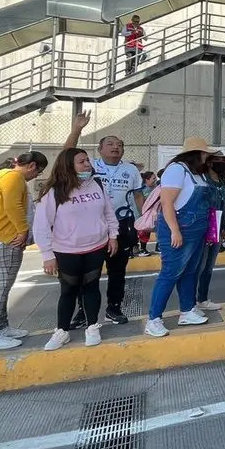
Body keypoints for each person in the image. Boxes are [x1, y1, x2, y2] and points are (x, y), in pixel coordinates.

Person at [33, 148, 119, 350]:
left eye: (87, 160)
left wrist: (113, 236)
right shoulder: (53, 191)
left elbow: (109, 212)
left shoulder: (97, 184)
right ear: (68, 166)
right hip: (66, 250)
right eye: (81, 162)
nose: (87, 164)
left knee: (91, 287)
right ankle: (62, 331)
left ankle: (92, 327)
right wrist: (47, 255)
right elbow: (42, 225)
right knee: (69, 290)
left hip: (96, 247)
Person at [65, 114, 141, 326]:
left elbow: (137, 196)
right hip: (93, 227)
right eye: (110, 143)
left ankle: (114, 308)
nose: (115, 147)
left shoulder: (131, 170)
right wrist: (77, 130)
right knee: (88, 274)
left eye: (119, 145)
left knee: (118, 272)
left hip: (123, 227)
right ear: (99, 149)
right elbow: (67, 155)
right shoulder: (90, 167)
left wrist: (142, 220)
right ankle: (83, 312)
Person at [0, 151, 48, 351]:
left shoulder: (0, 176)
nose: (36, 176)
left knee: (3, 287)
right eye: (38, 171)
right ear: (32, 165)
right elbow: (13, 205)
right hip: (5, 238)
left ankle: (1, 327)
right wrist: (22, 230)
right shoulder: (14, 178)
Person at [144, 138, 215, 336]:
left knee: (190, 271)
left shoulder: (196, 173)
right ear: (196, 154)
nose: (207, 157)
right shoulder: (177, 170)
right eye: (205, 154)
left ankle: (187, 310)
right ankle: (154, 319)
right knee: (170, 273)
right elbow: (167, 203)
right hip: (180, 229)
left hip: (196, 230)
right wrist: (175, 230)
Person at [195, 152, 225, 311]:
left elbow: (224, 206)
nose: (221, 163)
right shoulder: (203, 180)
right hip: (204, 226)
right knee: (198, 267)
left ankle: (202, 299)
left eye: (223, 161)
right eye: (217, 160)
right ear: (209, 163)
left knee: (208, 267)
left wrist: (223, 228)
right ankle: (191, 302)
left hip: (217, 227)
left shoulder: (222, 182)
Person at [135, 171, 158, 255]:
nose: (155, 180)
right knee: (142, 232)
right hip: (143, 214)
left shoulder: (155, 188)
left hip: (152, 214)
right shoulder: (142, 190)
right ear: (147, 180)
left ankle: (144, 248)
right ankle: (141, 249)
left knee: (147, 231)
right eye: (153, 178)